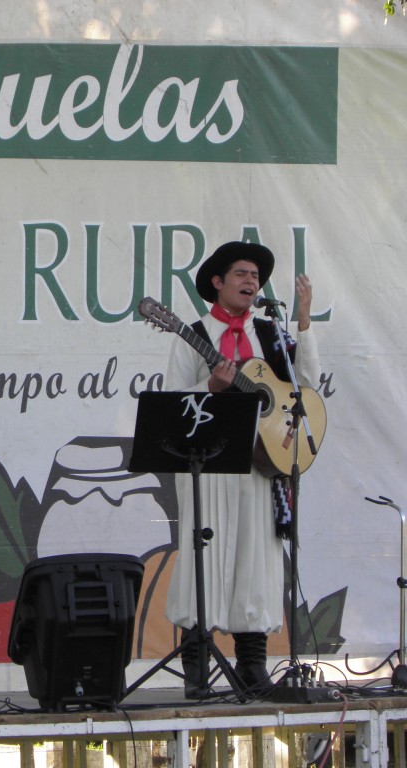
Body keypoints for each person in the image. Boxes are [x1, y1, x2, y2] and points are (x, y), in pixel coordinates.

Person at [164, 241, 320, 697]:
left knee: (256, 559)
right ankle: (197, 668)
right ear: (218, 281)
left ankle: (253, 665)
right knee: (204, 558)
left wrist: (304, 322)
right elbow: (173, 404)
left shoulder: (271, 334)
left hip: (259, 463)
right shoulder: (192, 333)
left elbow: (303, 389)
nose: (252, 282)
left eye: (256, 276)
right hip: (208, 465)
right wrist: (209, 386)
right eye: (242, 274)